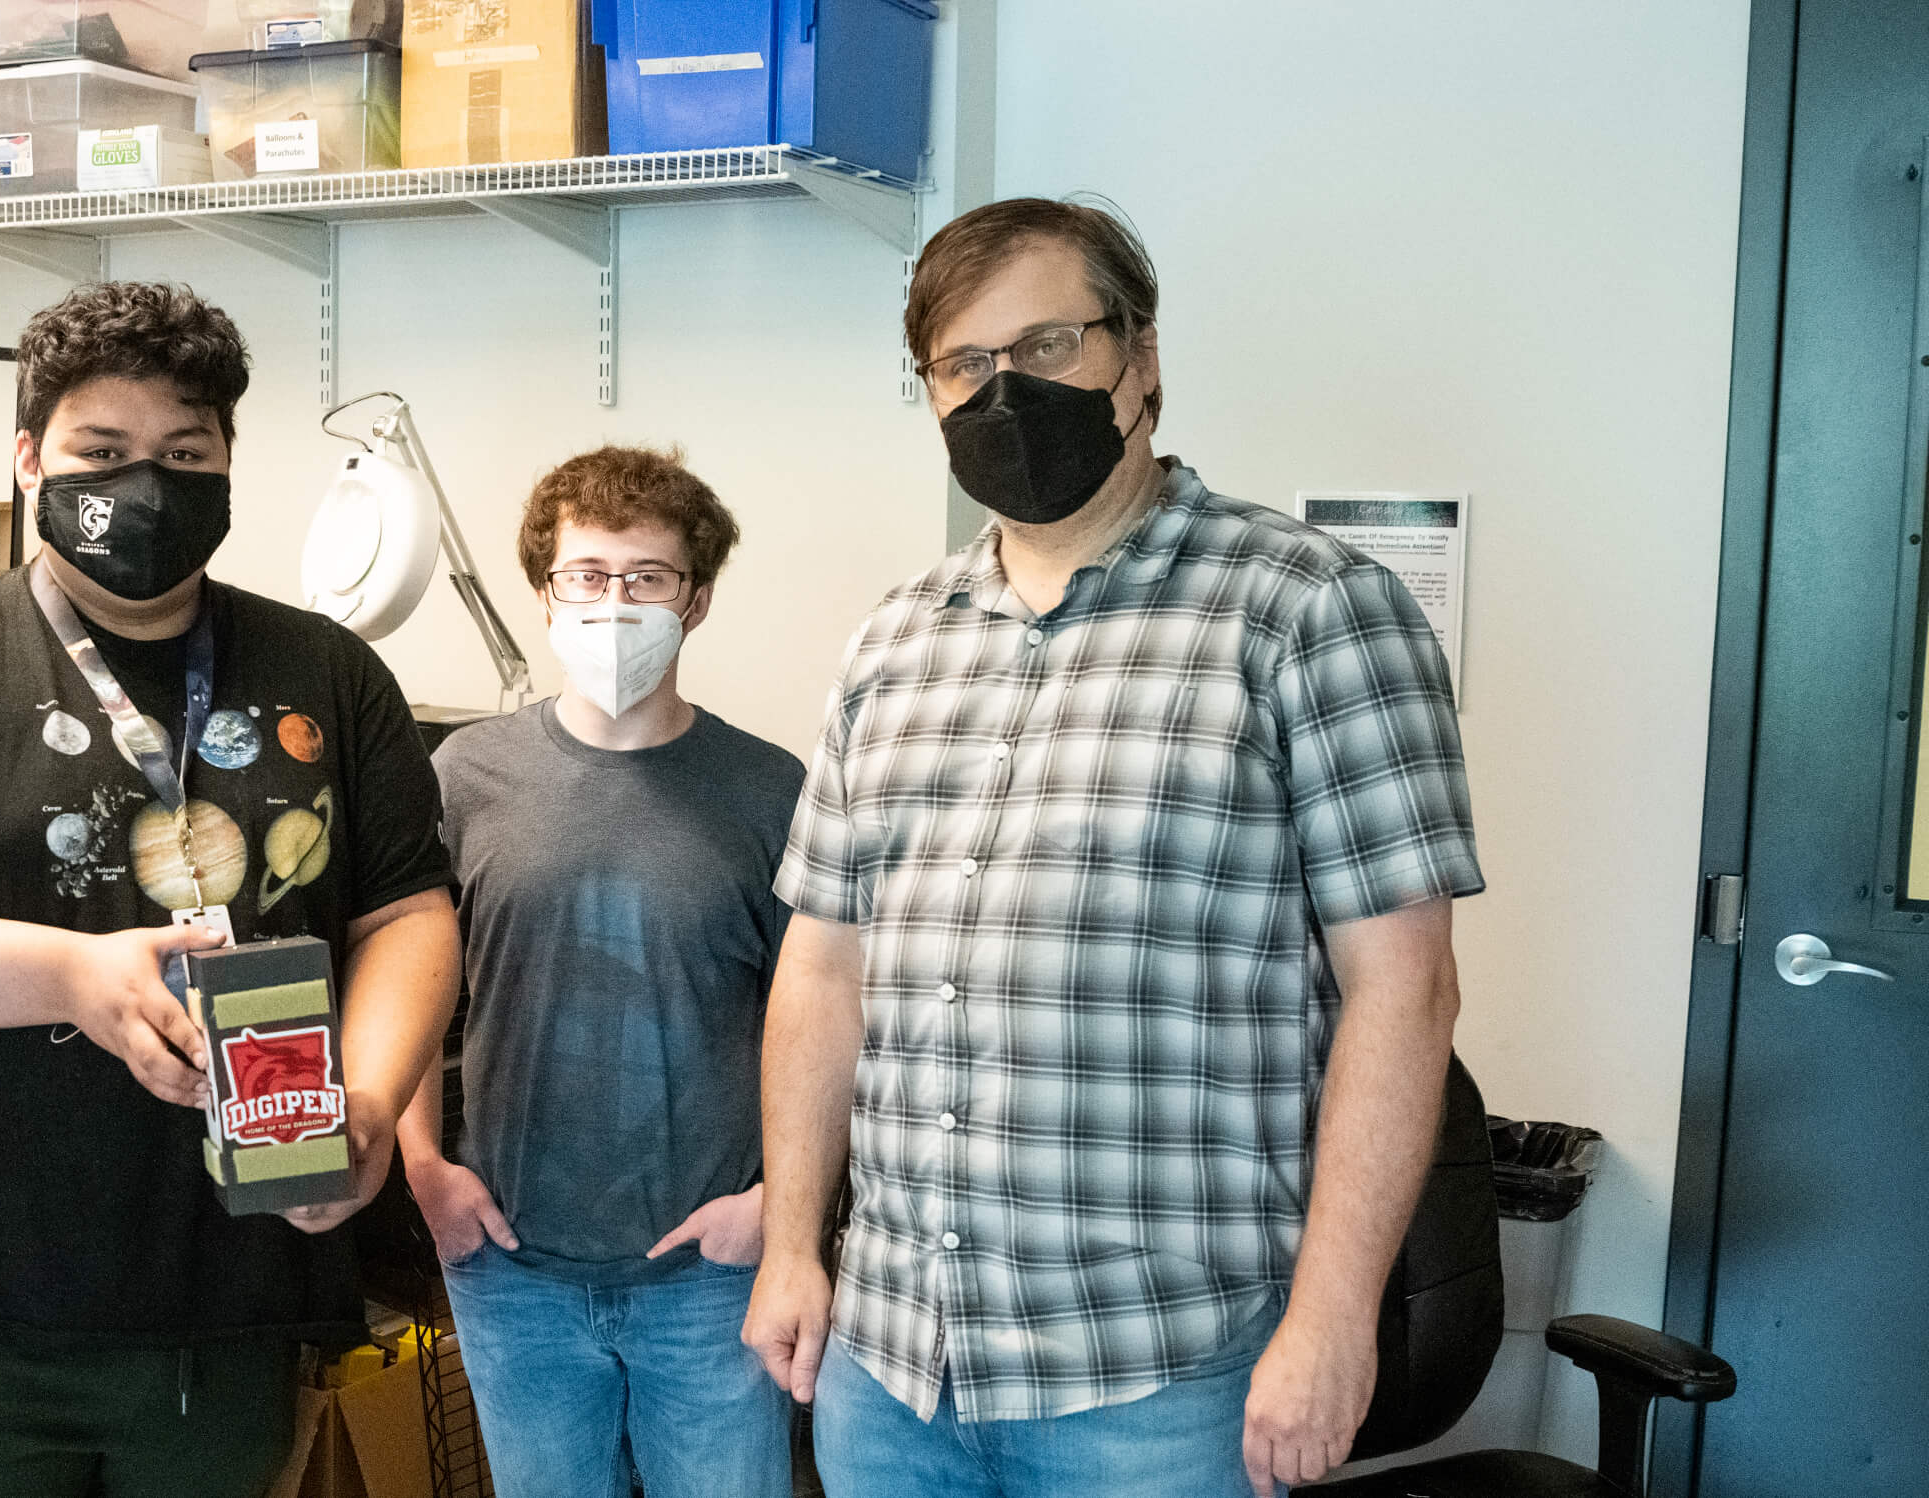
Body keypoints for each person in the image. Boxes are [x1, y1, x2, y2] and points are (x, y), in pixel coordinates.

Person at [741, 198, 1482, 1498]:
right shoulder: (892, 644)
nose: (1006, 392)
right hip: (895, 1369)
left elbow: (1404, 985)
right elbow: (822, 971)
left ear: (1140, 358)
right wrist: (793, 1242)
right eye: (964, 366)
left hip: (1158, 1387)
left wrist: (1332, 1316)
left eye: (1049, 346)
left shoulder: (1310, 610)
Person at [0, 280, 462, 1497]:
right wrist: (67, 973)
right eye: (102, 449)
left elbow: (405, 910)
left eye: (185, 453)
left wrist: (371, 1097)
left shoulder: (327, 671)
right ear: (28, 457)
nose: (145, 484)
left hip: (219, 1298)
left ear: (230, 465)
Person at [407, 445, 805, 1498]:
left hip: (708, 1276)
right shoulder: (463, 777)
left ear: (698, 597)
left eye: (646, 578)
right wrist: (418, 1165)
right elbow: (408, 981)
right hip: (511, 1268)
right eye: (584, 575)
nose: (612, 602)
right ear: (543, 593)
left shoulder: (771, 789)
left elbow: (815, 1018)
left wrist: (776, 1204)